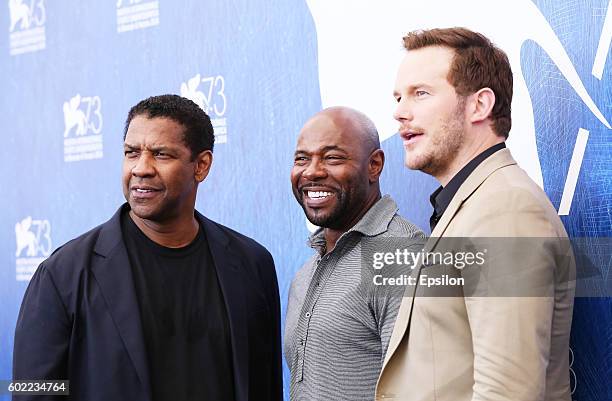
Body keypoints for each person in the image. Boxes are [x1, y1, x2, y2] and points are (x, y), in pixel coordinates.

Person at [13, 94, 282, 401]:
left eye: (161, 154)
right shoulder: (63, 273)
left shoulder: (251, 263)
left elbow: (266, 384)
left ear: (201, 165)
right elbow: (32, 390)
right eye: (131, 153)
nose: (141, 168)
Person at [376, 28, 575, 401]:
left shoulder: (506, 209)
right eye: (399, 97)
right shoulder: (477, 203)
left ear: (479, 105)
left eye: (421, 93)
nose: (400, 112)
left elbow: (508, 393)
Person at [284, 106, 424, 401]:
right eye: (302, 159)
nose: (312, 171)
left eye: (332, 158)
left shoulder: (401, 255)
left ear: (374, 165)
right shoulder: (307, 272)